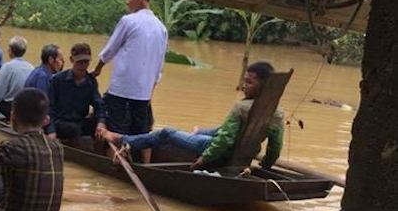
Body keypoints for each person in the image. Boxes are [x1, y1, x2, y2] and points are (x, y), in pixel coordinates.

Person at [104, 62, 284, 169]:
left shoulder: (241, 107)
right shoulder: (277, 112)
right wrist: (266, 166)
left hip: (217, 151)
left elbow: (224, 140)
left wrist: (204, 159)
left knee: (166, 133)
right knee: (210, 131)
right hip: (241, 153)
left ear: (263, 85)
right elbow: (275, 146)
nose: (244, 86)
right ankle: (197, 132)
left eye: (249, 82)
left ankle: (123, 139)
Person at [92, 0, 168, 161]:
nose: (127, 1)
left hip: (122, 88)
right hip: (143, 92)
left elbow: (110, 50)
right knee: (142, 131)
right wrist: (150, 91)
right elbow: (159, 67)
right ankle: (147, 166)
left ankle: (112, 164)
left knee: (115, 129)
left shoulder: (128, 21)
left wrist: (97, 70)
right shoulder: (162, 28)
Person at [47, 42, 106, 144]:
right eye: (79, 62)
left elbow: (99, 105)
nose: (83, 65)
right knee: (72, 129)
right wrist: (51, 131)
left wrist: (101, 123)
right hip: (60, 123)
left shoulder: (91, 82)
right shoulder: (58, 80)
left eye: (86, 62)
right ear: (71, 60)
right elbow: (49, 108)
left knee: (104, 123)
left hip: (79, 122)